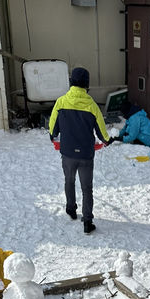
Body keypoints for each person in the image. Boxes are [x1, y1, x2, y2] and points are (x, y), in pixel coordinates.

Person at [49, 67, 111, 234]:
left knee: (69, 181)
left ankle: (71, 208)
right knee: (86, 188)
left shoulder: (61, 102)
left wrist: (53, 136)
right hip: (85, 154)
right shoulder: (92, 106)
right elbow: (102, 133)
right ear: (87, 84)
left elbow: (52, 128)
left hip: (67, 153)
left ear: (71, 82)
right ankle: (87, 221)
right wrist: (107, 140)